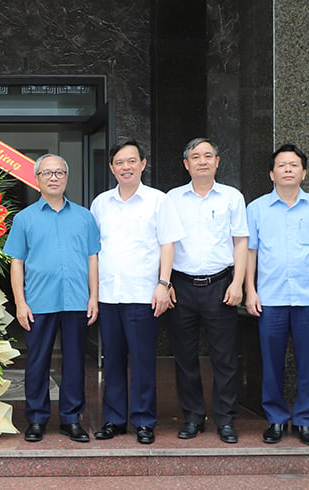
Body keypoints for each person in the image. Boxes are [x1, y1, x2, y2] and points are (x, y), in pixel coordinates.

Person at [90, 140, 185, 445]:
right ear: (111, 168)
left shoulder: (158, 201)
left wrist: (164, 283)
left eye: (132, 161)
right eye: (120, 162)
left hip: (144, 293)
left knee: (143, 361)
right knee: (112, 360)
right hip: (109, 293)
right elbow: (94, 250)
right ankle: (114, 419)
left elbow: (168, 243)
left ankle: (144, 421)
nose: (126, 167)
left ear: (143, 164)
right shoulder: (101, 203)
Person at [245, 143, 309, 447]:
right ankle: (275, 419)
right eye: (282, 165)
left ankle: (305, 421)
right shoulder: (256, 208)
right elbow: (251, 253)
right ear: (271, 173)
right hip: (270, 300)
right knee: (271, 364)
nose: (287, 169)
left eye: (294, 165)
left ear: (304, 173)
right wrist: (250, 290)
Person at [3, 154, 100, 443]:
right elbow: (16, 262)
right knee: (37, 362)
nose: (54, 177)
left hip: (76, 301)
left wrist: (94, 297)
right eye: (47, 173)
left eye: (59, 172)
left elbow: (93, 258)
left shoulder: (84, 216)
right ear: (37, 179)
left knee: (74, 362)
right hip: (38, 303)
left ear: (66, 178)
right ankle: (36, 418)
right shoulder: (24, 219)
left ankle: (72, 419)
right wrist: (20, 302)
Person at [166, 138, 248, 444]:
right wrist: (166, 283)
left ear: (217, 161)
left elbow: (241, 241)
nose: (202, 161)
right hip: (182, 286)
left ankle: (226, 419)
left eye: (207, 156)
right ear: (186, 164)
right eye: (195, 157)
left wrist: (238, 283)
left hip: (221, 285)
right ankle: (192, 417)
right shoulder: (172, 199)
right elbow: (166, 244)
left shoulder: (231, 197)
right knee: (184, 357)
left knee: (225, 358)